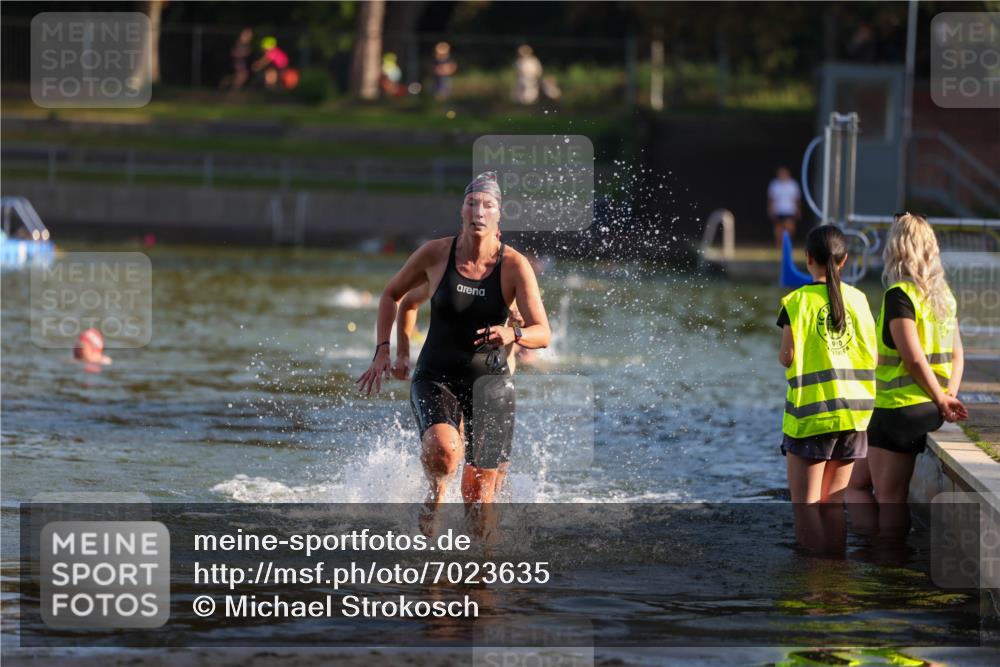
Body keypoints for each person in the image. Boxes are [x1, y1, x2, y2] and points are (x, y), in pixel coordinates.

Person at [356, 172, 550, 532]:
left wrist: (513, 332)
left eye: (487, 205)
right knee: (445, 452)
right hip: (436, 375)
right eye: (472, 204)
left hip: (490, 382)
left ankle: (480, 580)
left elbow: (543, 333)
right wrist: (388, 351)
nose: (479, 211)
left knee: (479, 497)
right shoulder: (436, 255)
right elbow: (394, 296)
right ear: (461, 211)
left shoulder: (514, 266)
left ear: (498, 215)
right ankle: (435, 491)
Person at [847, 214, 968, 529]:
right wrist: (947, 395)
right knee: (856, 483)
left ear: (896, 248)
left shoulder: (899, 295)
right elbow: (958, 354)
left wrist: (942, 400)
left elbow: (913, 359)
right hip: (927, 405)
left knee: (889, 497)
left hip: (899, 408)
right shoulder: (945, 298)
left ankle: (886, 559)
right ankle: (872, 554)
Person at [778, 226, 877, 550]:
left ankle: (813, 585)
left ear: (808, 259)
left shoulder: (796, 302)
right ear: (844, 260)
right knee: (833, 504)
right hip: (853, 416)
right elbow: (872, 355)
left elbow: (787, 356)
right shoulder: (860, 300)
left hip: (813, 416)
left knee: (805, 507)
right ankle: (836, 580)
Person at [768, 166, 801, 248]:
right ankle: (778, 245)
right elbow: (771, 199)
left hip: (790, 210)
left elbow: (796, 199)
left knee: (790, 228)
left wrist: (798, 210)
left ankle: (788, 244)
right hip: (778, 210)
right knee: (778, 228)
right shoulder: (774, 185)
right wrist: (770, 209)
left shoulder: (793, 185)